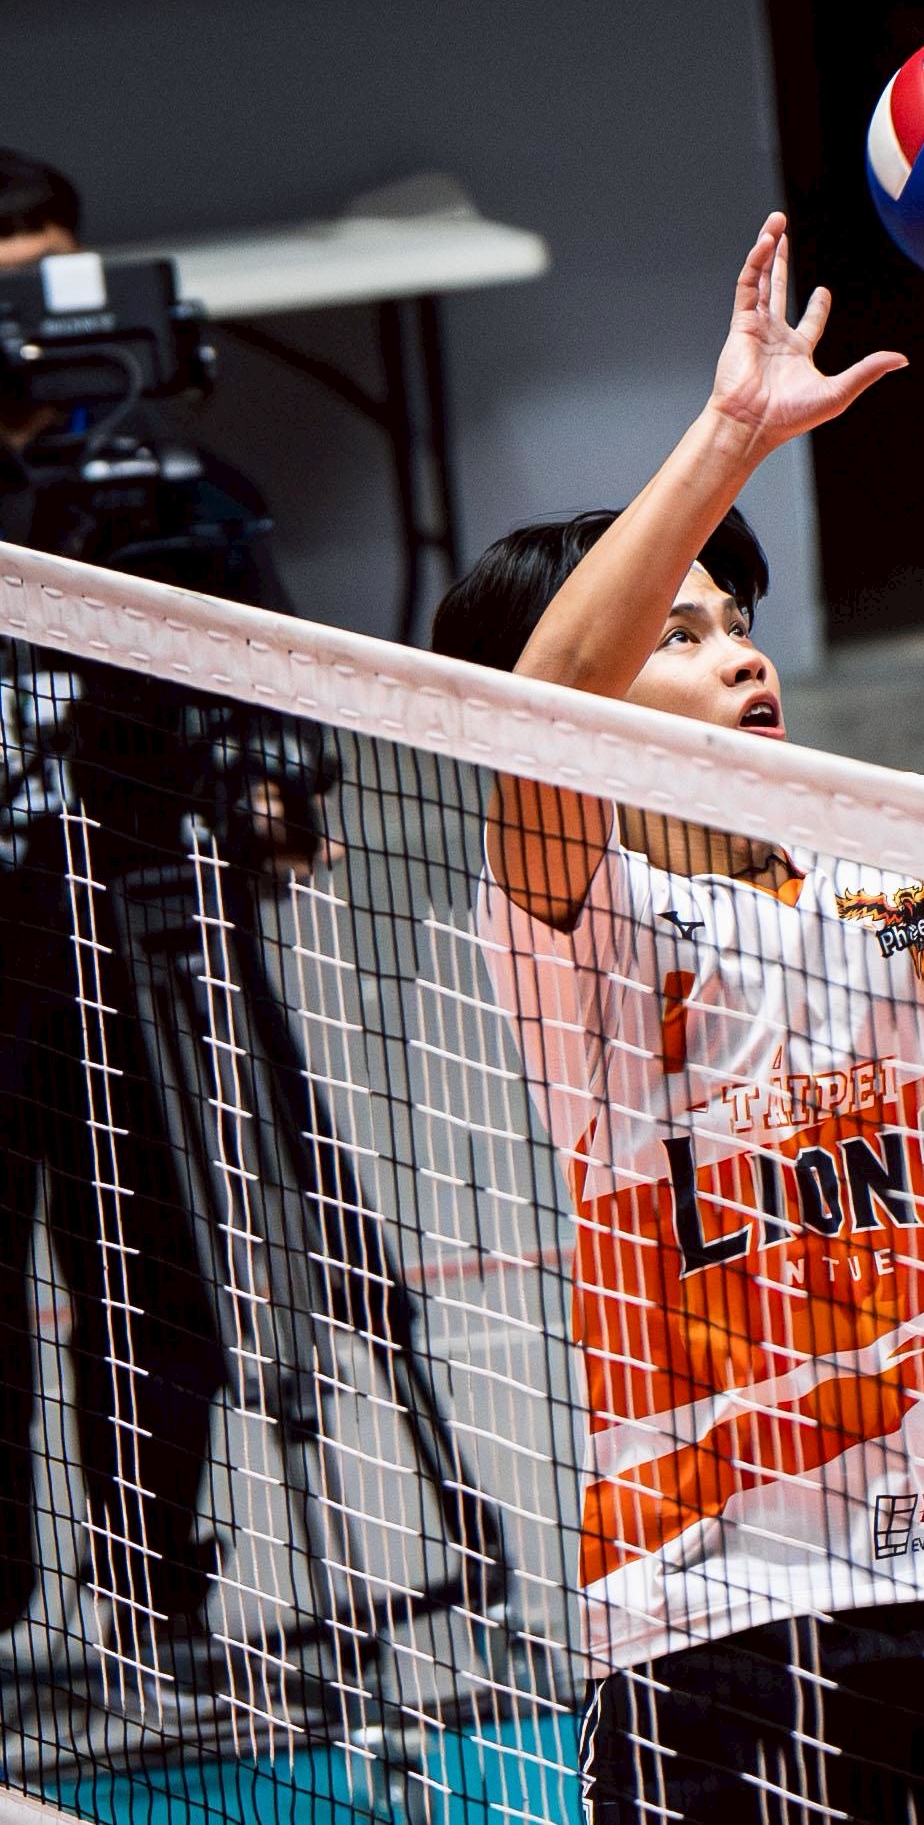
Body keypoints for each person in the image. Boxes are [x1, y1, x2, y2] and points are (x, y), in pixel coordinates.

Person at [431, 211, 924, 1823]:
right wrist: (731, 433)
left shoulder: (900, 861)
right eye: (679, 633)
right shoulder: (572, 930)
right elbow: (540, 720)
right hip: (706, 1609)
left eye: (738, 624)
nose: (739, 657)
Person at [0, 148, 337, 1693]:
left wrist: (277, 783)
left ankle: (156, 1597)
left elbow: (280, 690)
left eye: (52, 281)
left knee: (156, 1279)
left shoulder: (171, 493)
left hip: (141, 930)